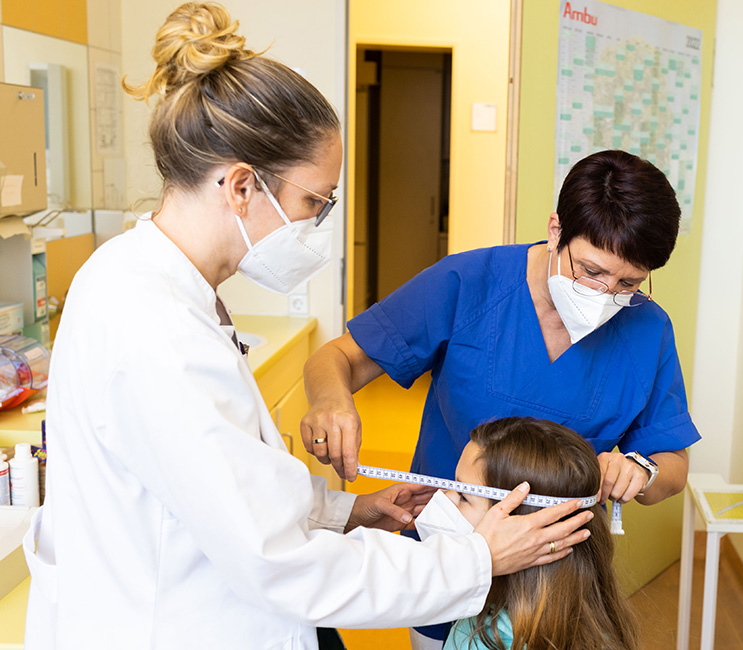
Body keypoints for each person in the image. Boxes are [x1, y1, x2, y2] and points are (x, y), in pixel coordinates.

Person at [20, 4, 592, 649]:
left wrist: (342, 509)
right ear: (241, 186)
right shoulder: (155, 330)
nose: (317, 225)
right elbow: (275, 561)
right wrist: (477, 560)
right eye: (313, 202)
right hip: (177, 621)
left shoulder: (144, 279)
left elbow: (229, 481)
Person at [302, 148, 701, 648]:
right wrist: (330, 401)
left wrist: (642, 471)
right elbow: (337, 358)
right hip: (451, 558)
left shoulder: (647, 327)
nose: (605, 295)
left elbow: (673, 464)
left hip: (554, 586)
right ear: (556, 230)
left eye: (628, 283)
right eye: (591, 271)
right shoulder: (470, 282)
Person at [441, 417, 638, 650]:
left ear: (522, 528)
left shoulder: (477, 638)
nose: (445, 497)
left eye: (464, 496)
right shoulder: (597, 625)